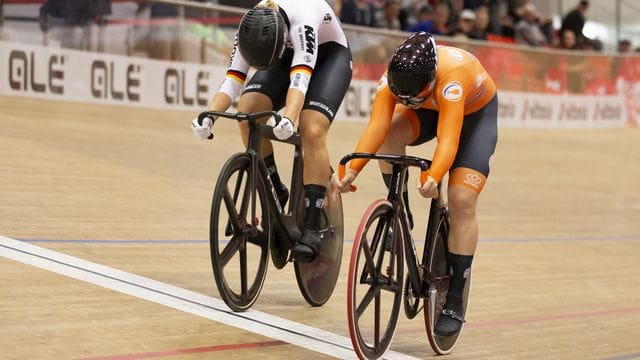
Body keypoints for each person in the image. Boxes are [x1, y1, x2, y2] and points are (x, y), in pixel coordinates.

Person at [337, 32, 498, 336]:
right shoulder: (392, 79)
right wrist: (353, 169)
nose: (406, 100)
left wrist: (434, 176)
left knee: (461, 200)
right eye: (403, 97)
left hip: (474, 118)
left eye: (414, 96)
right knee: (390, 135)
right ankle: (401, 213)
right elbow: (378, 126)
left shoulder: (452, 77)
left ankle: (454, 297)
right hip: (428, 109)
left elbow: (448, 140)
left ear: (430, 80)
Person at [191, 0, 352, 263]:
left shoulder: (304, 20)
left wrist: (288, 117)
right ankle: (275, 186)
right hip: (283, 53)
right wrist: (208, 116)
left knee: (311, 128)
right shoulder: (250, 27)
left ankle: (311, 225)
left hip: (329, 57)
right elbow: (233, 78)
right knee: (248, 111)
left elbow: (300, 79)